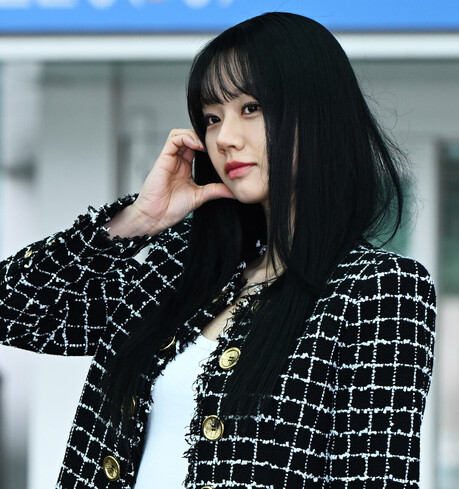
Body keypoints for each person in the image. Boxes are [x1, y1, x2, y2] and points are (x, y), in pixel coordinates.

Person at [0, 11, 436, 489]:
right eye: (212, 118)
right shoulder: (179, 268)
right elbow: (11, 312)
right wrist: (138, 221)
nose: (224, 138)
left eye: (251, 108)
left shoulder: (381, 290)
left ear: (318, 113)